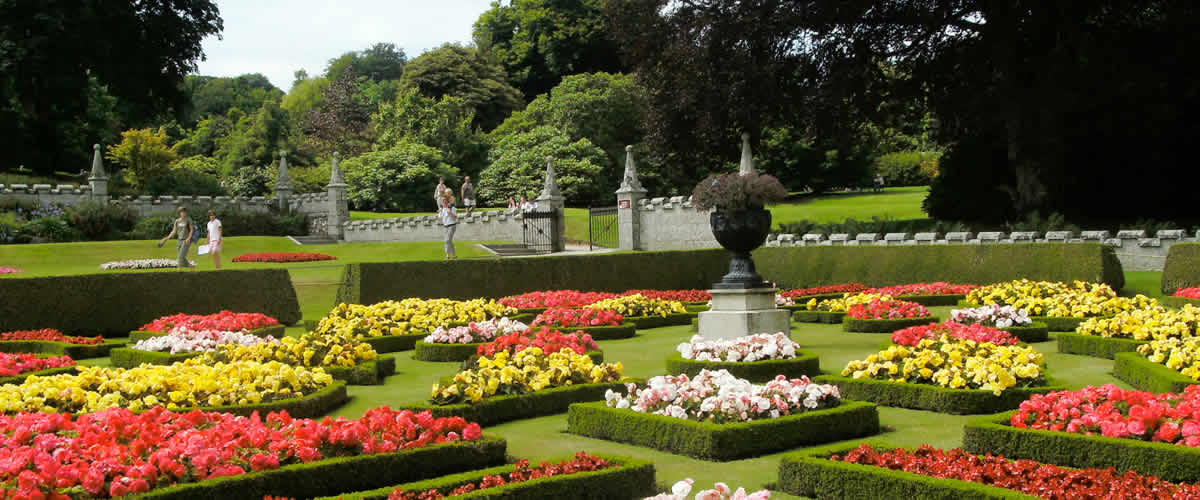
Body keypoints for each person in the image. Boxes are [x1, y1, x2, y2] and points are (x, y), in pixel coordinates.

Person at [439, 191, 458, 260]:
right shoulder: (442, 209)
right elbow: (440, 218)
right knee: (449, 241)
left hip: (452, 225)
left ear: (447, 201)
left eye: (444, 200)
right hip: (445, 226)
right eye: (442, 201)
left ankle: (447, 255)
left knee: (447, 240)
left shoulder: (452, 208)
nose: (443, 202)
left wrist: (450, 213)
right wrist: (440, 213)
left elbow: (455, 217)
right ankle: (454, 255)